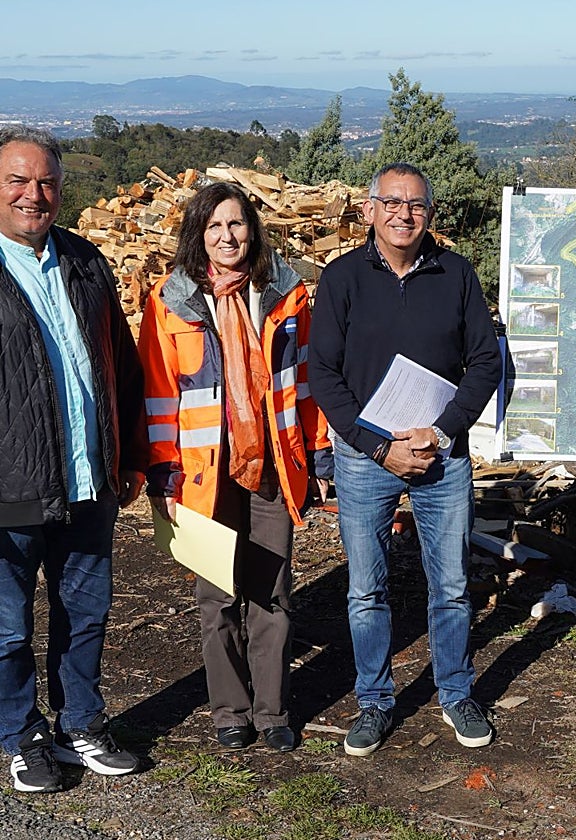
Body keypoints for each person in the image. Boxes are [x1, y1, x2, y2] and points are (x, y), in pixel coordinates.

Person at [309, 162, 501, 754]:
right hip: (365, 458)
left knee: (452, 585)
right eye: (392, 202)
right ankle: (374, 701)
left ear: (429, 214)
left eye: (416, 204)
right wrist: (378, 448)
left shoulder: (457, 274)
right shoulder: (341, 278)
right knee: (366, 589)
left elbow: (485, 362)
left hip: (441, 455)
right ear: (370, 209)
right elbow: (323, 374)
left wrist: (442, 432)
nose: (403, 214)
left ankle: (456, 693)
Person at [138, 182, 331, 753]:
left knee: (272, 593)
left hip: (273, 464)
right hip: (204, 476)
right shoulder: (170, 301)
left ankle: (272, 712)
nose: (227, 236)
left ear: (253, 230)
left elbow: (306, 383)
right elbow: (157, 393)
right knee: (217, 596)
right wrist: (162, 471)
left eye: (237, 224)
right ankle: (230, 710)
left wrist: (318, 453)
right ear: (198, 235)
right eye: (214, 226)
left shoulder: (286, 295)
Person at [0, 125, 148, 792]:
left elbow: (123, 365)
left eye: (47, 183)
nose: (34, 195)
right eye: (18, 181)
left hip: (89, 478)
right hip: (9, 487)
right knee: (7, 629)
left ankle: (79, 724)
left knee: (85, 615)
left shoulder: (86, 261)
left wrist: (131, 455)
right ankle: (21, 735)